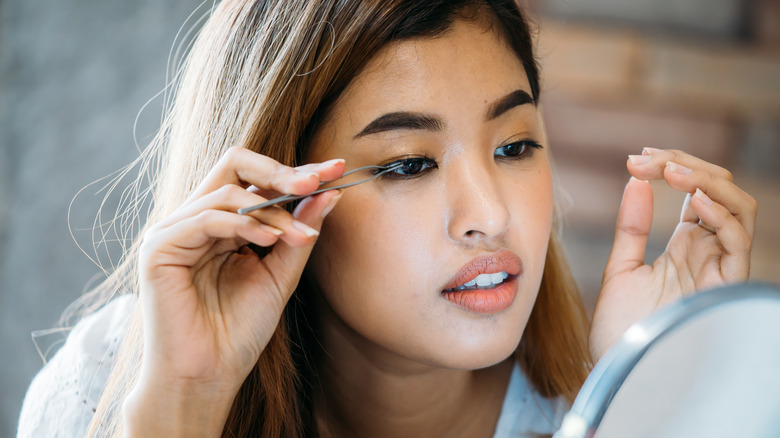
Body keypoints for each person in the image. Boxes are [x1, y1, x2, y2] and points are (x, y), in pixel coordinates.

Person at [18, 0, 758, 437]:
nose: (490, 214)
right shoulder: (111, 385)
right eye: (408, 164)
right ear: (274, 188)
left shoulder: (604, 415)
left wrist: (648, 393)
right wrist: (183, 403)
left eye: (514, 146)